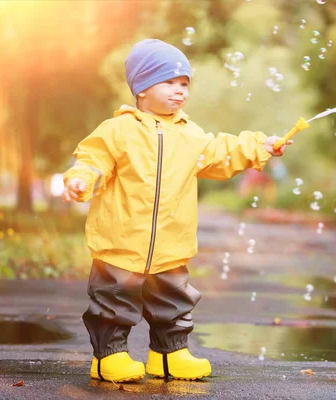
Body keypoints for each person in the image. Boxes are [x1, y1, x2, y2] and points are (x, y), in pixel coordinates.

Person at [62, 39, 291, 383]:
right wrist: (81, 179)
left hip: (172, 244)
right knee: (113, 302)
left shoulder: (191, 135)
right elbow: (92, 160)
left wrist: (259, 146)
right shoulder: (118, 131)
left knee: (173, 302)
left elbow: (221, 152)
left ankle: (170, 355)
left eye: (184, 84)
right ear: (141, 87)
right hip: (120, 243)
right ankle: (108, 356)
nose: (180, 91)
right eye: (169, 82)